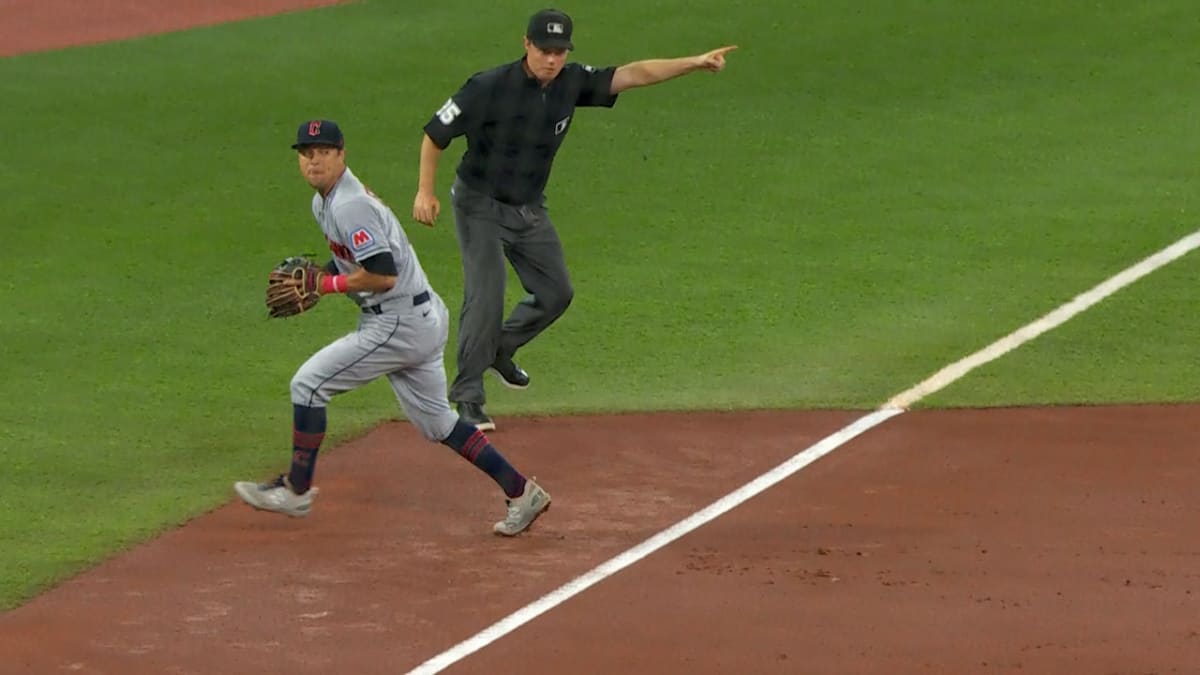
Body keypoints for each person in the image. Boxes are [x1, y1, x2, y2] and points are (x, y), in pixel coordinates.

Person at [412, 8, 736, 431]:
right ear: (526, 45)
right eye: (545, 50)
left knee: (556, 292)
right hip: (480, 205)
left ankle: (498, 348)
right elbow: (436, 134)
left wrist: (693, 63)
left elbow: (634, 74)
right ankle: (468, 398)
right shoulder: (488, 86)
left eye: (560, 51)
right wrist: (425, 191)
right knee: (485, 296)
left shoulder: (571, 82)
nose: (552, 59)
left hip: (528, 207)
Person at [234, 119, 551, 536]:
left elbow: (382, 274)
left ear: (341, 155)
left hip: (397, 322)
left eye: (323, 152)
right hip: (420, 316)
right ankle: (520, 490)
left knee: (308, 386)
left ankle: (296, 489)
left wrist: (324, 285)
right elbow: (357, 260)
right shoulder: (326, 203)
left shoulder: (349, 205)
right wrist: (321, 276)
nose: (314, 161)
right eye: (306, 153)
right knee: (439, 423)